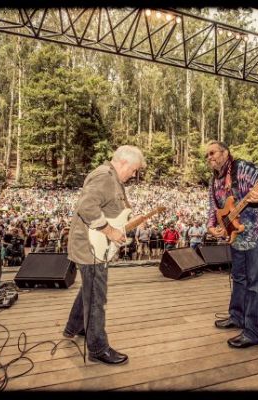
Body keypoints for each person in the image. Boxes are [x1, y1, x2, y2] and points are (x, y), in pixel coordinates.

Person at [63, 145, 146, 365]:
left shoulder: (111, 178)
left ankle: (76, 327)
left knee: (88, 289)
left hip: (92, 246)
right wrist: (109, 231)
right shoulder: (105, 177)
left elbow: (108, 210)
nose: (134, 174)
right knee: (97, 297)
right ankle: (98, 348)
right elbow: (86, 205)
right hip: (91, 248)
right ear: (124, 162)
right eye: (134, 169)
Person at [205, 140, 258, 349]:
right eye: (207, 155)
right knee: (238, 278)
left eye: (212, 153)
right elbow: (214, 207)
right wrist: (213, 226)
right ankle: (236, 317)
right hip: (237, 236)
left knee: (256, 284)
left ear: (225, 152)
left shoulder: (243, 168)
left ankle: (253, 332)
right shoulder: (215, 180)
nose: (209, 157)